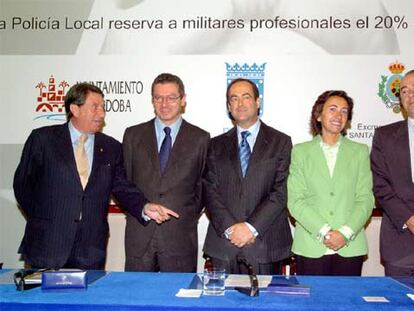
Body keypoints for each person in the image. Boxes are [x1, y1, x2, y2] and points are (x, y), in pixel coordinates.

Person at [13, 82, 177, 270]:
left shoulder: (110, 147)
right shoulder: (43, 140)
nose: (101, 113)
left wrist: (145, 207)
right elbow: (23, 187)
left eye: (103, 107)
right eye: (95, 107)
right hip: (47, 245)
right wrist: (46, 219)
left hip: (90, 250)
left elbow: (122, 187)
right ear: (75, 109)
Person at [202, 78, 292, 275]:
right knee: (223, 306)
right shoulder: (214, 145)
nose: (240, 103)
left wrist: (251, 228)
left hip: (266, 243)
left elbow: (281, 191)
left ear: (258, 102)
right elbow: (209, 190)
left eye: (246, 97)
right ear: (228, 106)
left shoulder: (281, 142)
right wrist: (230, 229)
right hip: (224, 244)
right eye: (234, 99)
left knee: (266, 305)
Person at [122, 73, 210, 272]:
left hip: (179, 237)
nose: (164, 103)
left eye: (171, 98)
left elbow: (203, 187)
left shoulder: (201, 138)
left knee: (177, 300)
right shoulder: (133, 135)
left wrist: (185, 214)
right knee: (138, 299)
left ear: (183, 100)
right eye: (158, 98)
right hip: (139, 234)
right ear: (152, 100)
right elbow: (124, 183)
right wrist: (141, 209)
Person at [288, 90, 374, 276]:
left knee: (347, 304)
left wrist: (345, 233)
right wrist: (325, 232)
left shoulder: (359, 152)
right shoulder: (300, 152)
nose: (339, 115)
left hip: (350, 246)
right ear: (318, 115)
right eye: (333, 109)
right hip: (311, 245)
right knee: (312, 305)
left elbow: (366, 199)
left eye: (344, 111)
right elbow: (295, 201)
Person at [371, 69, 414, 277]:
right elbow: (380, 184)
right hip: (399, 243)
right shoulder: (384, 135)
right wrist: (408, 218)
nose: (410, 95)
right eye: (404, 91)